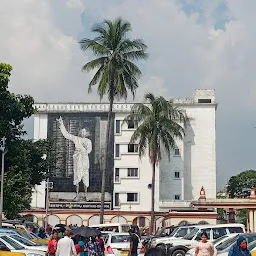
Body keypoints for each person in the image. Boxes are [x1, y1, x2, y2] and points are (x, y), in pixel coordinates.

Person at [57, 116, 92, 200]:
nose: (83, 133)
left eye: (84, 132)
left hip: (84, 160)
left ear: (86, 133)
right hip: (77, 160)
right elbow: (66, 135)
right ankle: (77, 195)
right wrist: (61, 124)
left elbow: (89, 150)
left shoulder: (88, 141)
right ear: (79, 132)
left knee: (85, 177)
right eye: (81, 131)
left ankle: (86, 195)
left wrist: (83, 151)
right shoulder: (76, 139)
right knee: (77, 177)